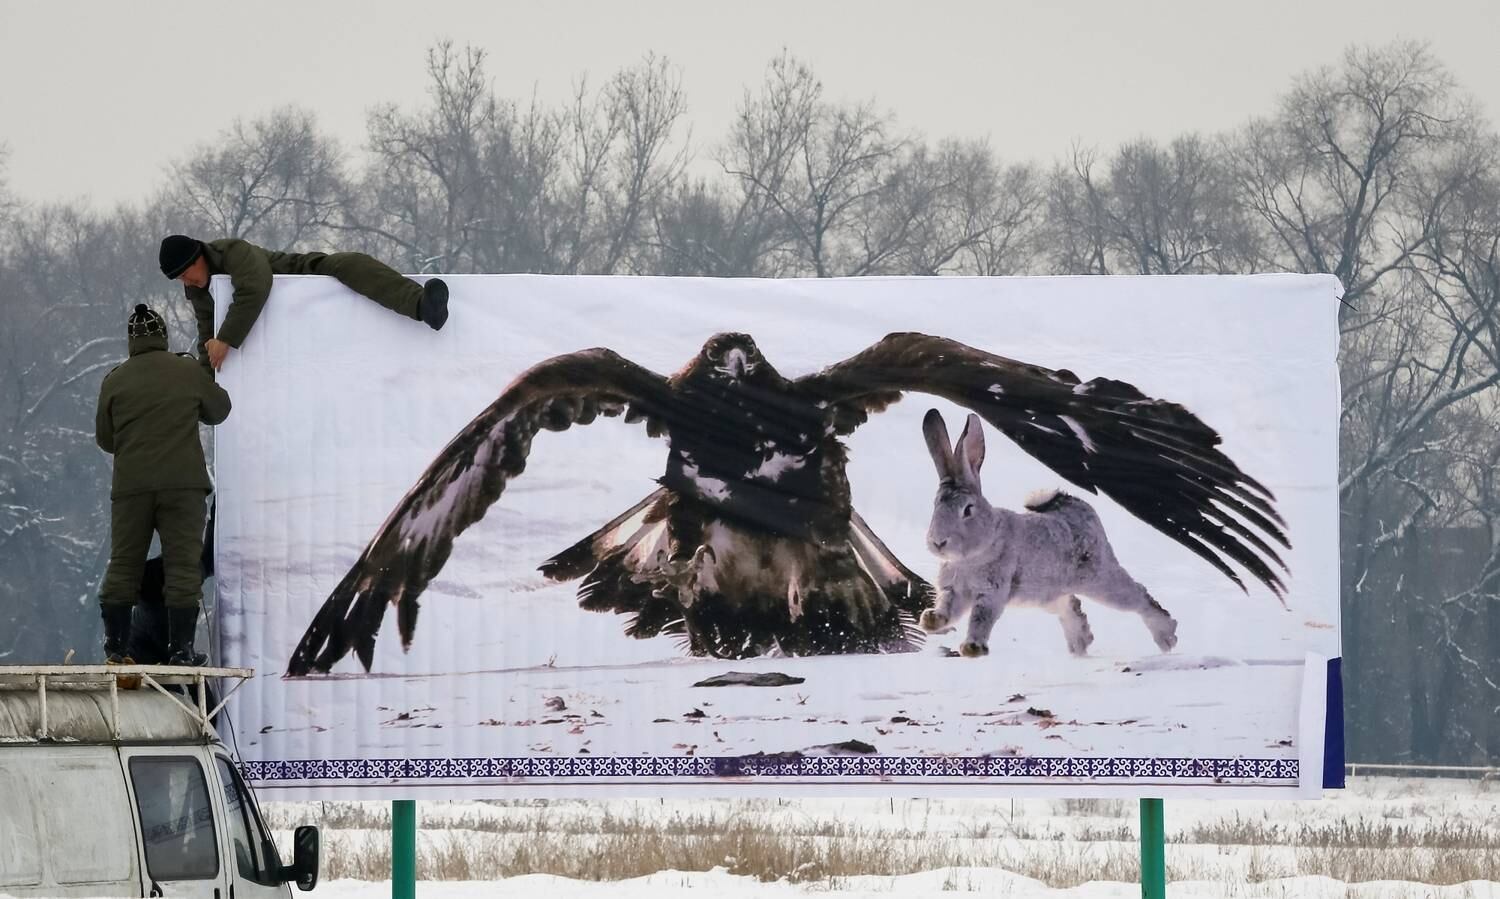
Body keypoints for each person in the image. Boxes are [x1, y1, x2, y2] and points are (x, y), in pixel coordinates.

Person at [96, 304, 231, 667]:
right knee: (183, 565)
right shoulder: (185, 370)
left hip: (131, 490)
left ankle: (117, 649)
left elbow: (106, 439)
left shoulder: (114, 380)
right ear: (163, 336)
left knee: (124, 563)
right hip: (182, 487)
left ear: (131, 343)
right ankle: (181, 650)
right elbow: (219, 409)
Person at [158, 235, 450, 376]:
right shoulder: (198, 290)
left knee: (347, 263)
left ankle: (422, 305)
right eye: (178, 279)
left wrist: (226, 340)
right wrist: (204, 387)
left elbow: (256, 286)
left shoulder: (233, 251)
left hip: (300, 275)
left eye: (185, 273)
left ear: (199, 257)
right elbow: (206, 340)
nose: (185, 282)